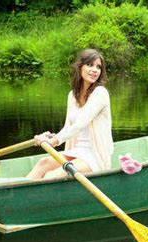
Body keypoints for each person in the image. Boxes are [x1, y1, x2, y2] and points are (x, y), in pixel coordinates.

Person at [26, 49, 114, 179]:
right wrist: (51, 137)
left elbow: (79, 124)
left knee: (52, 175)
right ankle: (16, 196)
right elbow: (68, 127)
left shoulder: (100, 93)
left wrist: (54, 141)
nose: (95, 70)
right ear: (80, 67)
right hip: (78, 151)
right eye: (90, 65)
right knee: (42, 164)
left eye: (98, 67)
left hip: (95, 156)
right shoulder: (72, 95)